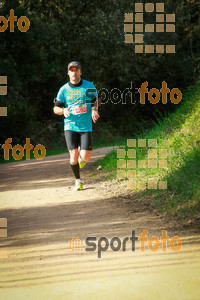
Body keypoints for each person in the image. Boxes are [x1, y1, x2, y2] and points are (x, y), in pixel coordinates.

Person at [53, 61, 101, 190]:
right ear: (68, 73)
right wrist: (63, 110)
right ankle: (78, 180)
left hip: (86, 126)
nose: (74, 72)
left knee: (85, 157)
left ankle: (80, 156)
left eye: (76, 70)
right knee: (73, 155)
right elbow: (55, 109)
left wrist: (94, 109)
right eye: (71, 70)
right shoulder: (64, 90)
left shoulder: (88, 86)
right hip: (70, 126)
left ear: (80, 72)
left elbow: (96, 100)